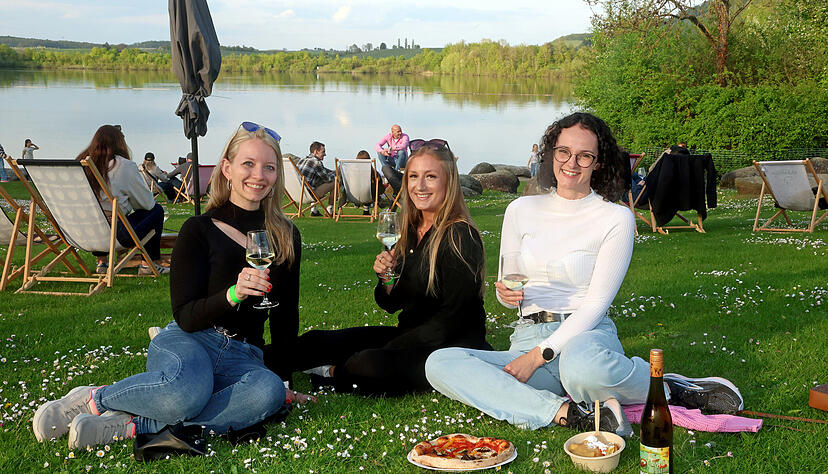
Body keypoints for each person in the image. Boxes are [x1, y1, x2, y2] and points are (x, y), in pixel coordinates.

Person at [425, 113, 744, 436]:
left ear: (598, 162)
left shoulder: (615, 218)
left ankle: (671, 388)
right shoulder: (520, 211)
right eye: (564, 152)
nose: (571, 163)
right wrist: (505, 296)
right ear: (551, 154)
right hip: (527, 337)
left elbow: (595, 306)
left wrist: (539, 356)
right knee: (439, 363)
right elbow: (511, 291)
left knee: (581, 370)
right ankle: (569, 412)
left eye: (584, 156)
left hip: (586, 336)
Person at [31, 122, 313, 450]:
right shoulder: (199, 229)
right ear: (227, 168)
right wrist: (232, 294)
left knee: (268, 393)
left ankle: (131, 426)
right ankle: (96, 398)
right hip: (192, 339)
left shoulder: (285, 235)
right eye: (248, 164)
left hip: (244, 352)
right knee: (186, 392)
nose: (258, 175)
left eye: (269, 167)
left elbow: (285, 315)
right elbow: (186, 317)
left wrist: (284, 381)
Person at [295, 139, 491, 396]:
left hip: (450, 347)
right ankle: (251, 362)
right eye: (413, 176)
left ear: (449, 182)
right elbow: (391, 304)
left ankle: (334, 374)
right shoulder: (409, 228)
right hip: (411, 333)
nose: (419, 186)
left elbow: (452, 319)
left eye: (430, 176)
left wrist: (393, 347)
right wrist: (386, 279)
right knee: (316, 341)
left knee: (366, 362)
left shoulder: (459, 236)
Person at [71, 125, 168, 276]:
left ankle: (102, 262)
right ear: (119, 143)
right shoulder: (123, 166)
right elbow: (146, 204)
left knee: (95, 213)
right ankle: (148, 264)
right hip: (115, 235)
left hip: (80, 233)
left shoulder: (80, 165)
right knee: (156, 210)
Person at [296, 141, 335, 216]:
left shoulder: (301, 160)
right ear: (316, 152)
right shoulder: (316, 162)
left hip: (297, 194)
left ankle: (314, 210)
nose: (325, 154)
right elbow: (327, 179)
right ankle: (329, 210)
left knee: (315, 179)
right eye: (323, 152)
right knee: (335, 181)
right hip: (308, 195)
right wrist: (337, 172)